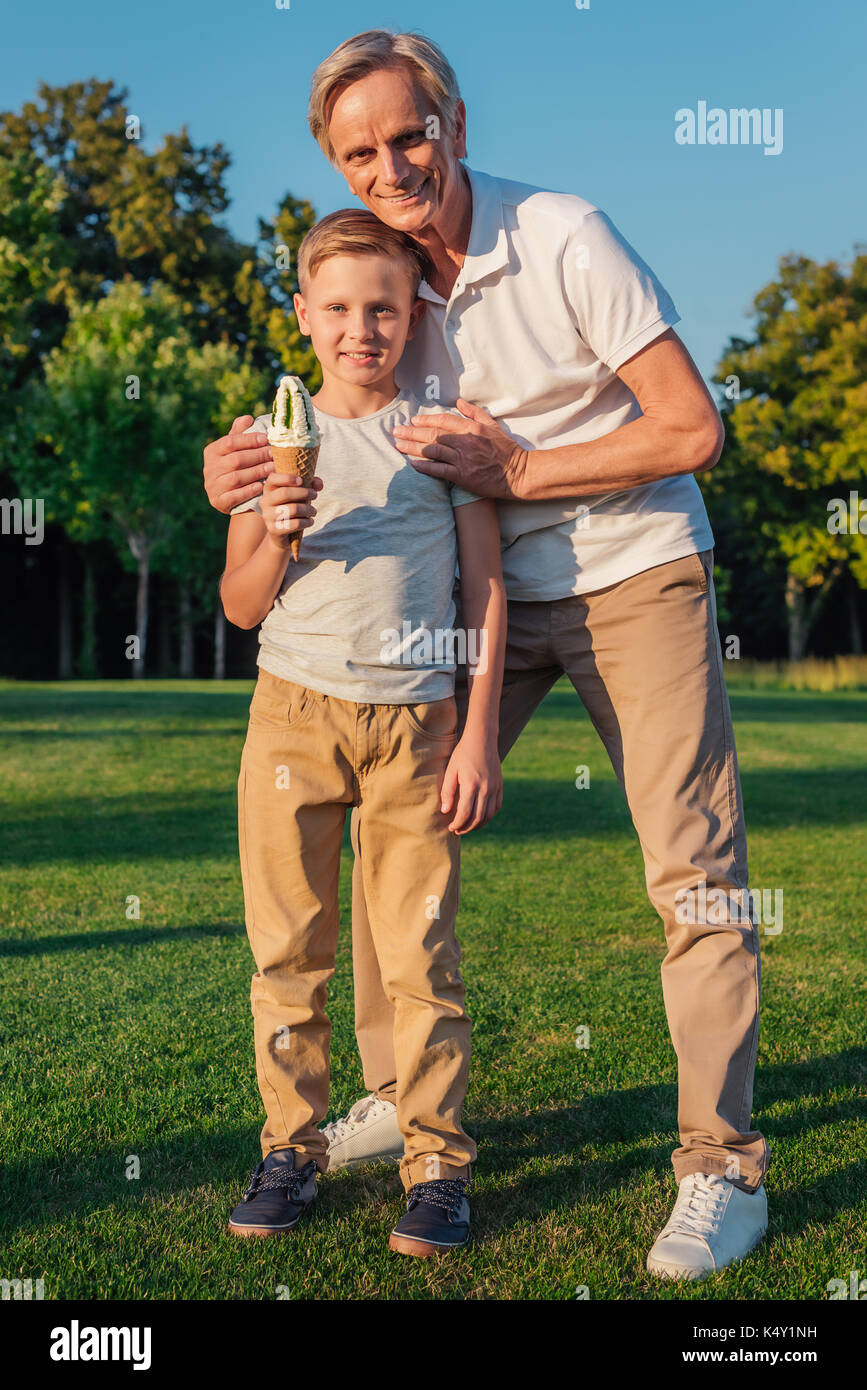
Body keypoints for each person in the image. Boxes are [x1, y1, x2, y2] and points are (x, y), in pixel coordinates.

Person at [204, 29, 770, 1280]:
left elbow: (693, 428)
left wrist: (518, 472)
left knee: (696, 870)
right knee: (398, 843)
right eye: (359, 151)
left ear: (453, 118)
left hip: (632, 573)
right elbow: (318, 440)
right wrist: (231, 475)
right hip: (476, 600)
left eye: (409, 134)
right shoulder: (382, 276)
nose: (391, 164)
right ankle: (398, 1103)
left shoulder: (564, 232)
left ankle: (720, 1163)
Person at [220, 207, 506, 1256]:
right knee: (289, 951)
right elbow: (241, 604)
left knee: (420, 952)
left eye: (382, 308)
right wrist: (278, 536)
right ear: (304, 315)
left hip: (416, 724)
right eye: (337, 308)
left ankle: (435, 1164)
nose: (360, 329)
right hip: (293, 717)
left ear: (411, 314)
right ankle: (291, 1148)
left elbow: (486, 592)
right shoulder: (265, 445)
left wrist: (477, 734)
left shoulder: (439, 435)